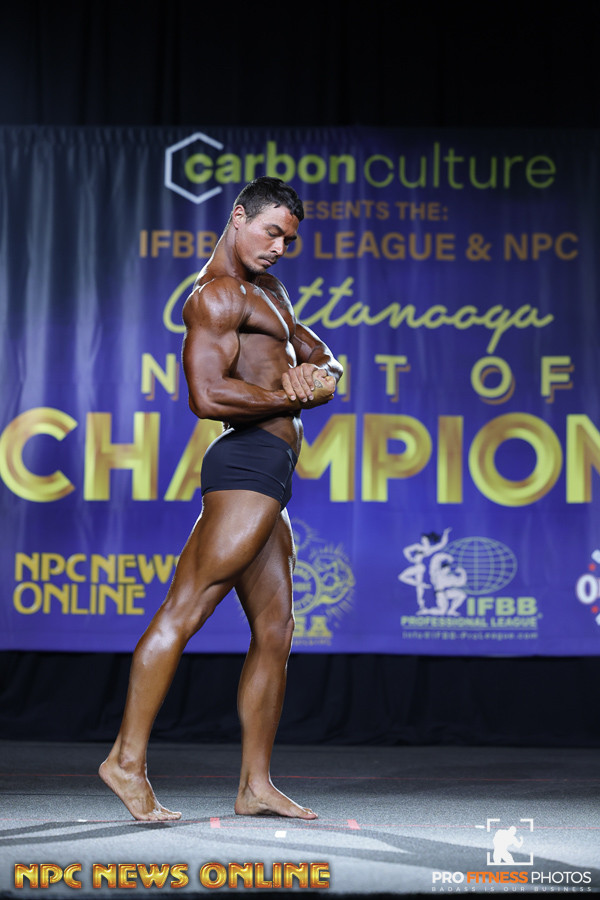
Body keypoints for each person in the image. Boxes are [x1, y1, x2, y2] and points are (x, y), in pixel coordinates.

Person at [99, 177, 343, 822]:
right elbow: (206, 397)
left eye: (289, 239)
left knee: (276, 630)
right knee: (184, 611)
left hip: (272, 473)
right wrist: (293, 395)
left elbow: (321, 354)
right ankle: (125, 760)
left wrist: (323, 375)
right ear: (238, 217)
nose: (280, 246)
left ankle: (255, 785)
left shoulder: (271, 291)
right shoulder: (216, 296)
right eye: (271, 232)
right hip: (246, 464)